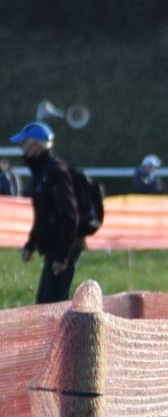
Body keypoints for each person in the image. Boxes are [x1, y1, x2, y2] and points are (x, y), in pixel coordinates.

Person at [16, 123, 86, 306]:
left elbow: (70, 217)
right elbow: (42, 216)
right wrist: (30, 245)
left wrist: (62, 257)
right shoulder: (42, 173)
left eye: (24, 143)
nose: (21, 148)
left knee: (52, 305)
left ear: (36, 145)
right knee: (44, 304)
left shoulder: (57, 173)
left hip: (64, 248)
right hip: (54, 248)